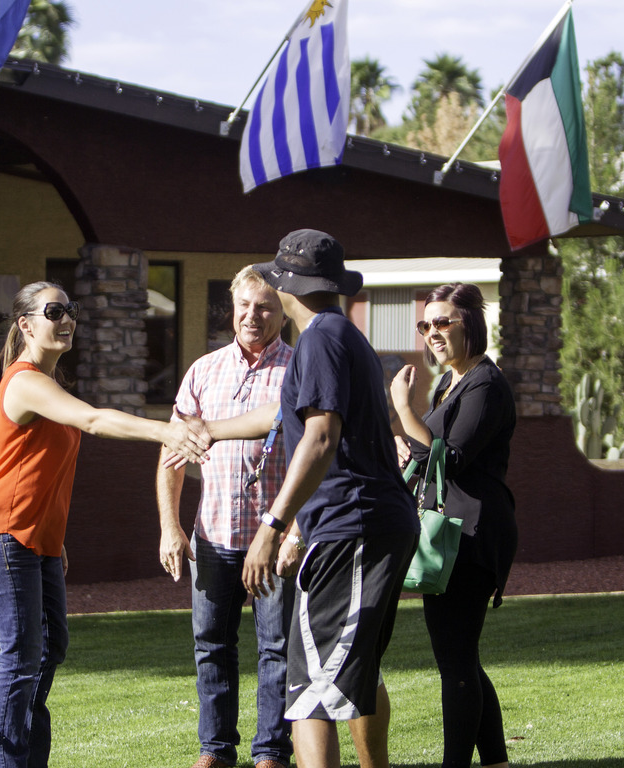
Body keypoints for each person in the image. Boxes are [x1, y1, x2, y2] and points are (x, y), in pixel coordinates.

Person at [175, 229, 420, 768]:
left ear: (290, 286)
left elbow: (321, 434)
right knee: (357, 667)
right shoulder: (338, 334)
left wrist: (272, 525)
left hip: (350, 523)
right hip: (373, 523)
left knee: (307, 683)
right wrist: (209, 429)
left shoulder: (321, 338)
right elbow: (282, 416)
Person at [0, 281, 210, 768]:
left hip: (39, 540)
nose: (67, 318)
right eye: (55, 311)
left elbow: (39, 471)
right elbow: (94, 420)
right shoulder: (25, 380)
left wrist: (57, 534)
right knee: (21, 657)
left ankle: (29, 760)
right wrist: (167, 429)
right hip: (5, 536)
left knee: (49, 650)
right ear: (26, 325)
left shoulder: (48, 385)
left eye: (71, 309)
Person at [156, 266, 300, 768]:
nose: (252, 316)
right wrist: (170, 527)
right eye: (244, 305)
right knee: (211, 645)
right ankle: (215, 749)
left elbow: (320, 456)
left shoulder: (299, 369)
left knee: (277, 649)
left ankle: (271, 753)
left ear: (282, 311)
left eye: (264, 307)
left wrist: (295, 530)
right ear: (231, 308)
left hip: (273, 538)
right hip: (213, 535)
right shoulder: (203, 370)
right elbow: (170, 454)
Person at [389, 282, 517, 768]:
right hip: (452, 533)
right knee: (461, 654)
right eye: (426, 324)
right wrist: (409, 445)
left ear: (471, 324)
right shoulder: (450, 383)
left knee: (455, 660)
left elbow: (455, 459)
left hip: (473, 535)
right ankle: (497, 762)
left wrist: (403, 410)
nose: (432, 333)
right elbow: (431, 451)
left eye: (443, 322)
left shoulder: (485, 383)